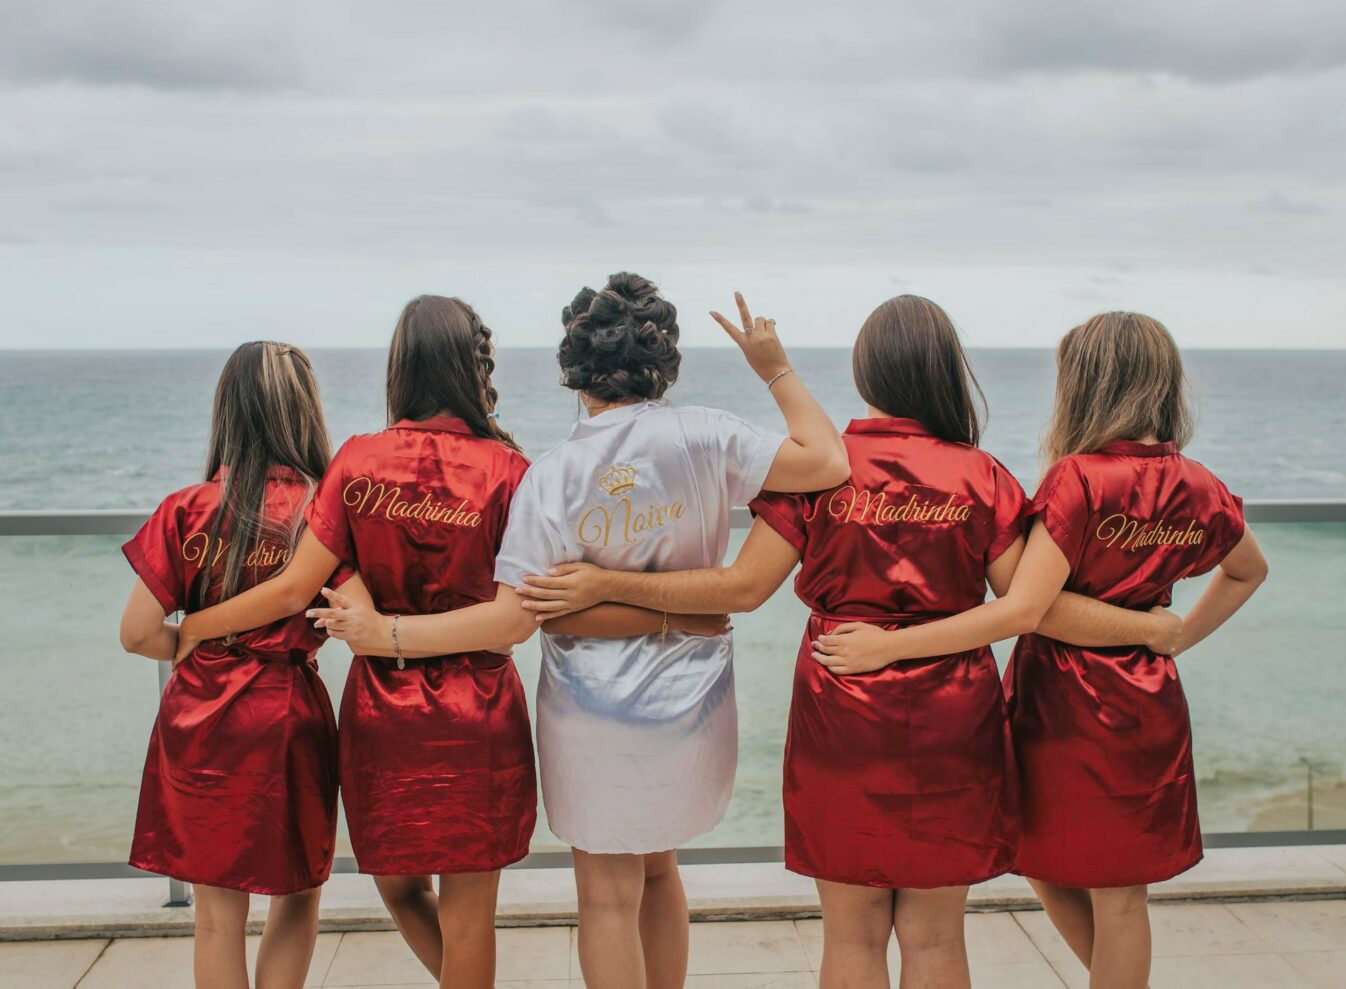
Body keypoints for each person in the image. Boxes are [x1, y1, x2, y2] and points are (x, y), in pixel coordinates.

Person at [513, 295, 1182, 989]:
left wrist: (604, 586)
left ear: (865, 372)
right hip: (955, 715)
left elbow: (741, 587)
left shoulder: (823, 473)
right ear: (946, 372)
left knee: (852, 936)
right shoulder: (981, 476)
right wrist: (1146, 623)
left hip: (841, 709)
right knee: (936, 939)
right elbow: (1032, 606)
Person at [309, 273, 849, 989]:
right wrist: (773, 367)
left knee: (605, 893)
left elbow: (532, 612)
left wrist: (386, 632)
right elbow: (829, 462)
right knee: (660, 866)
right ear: (663, 363)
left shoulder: (555, 473)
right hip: (692, 702)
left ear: (574, 367)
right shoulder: (710, 433)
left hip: (591, 706)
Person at [174, 296, 708, 989]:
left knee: (400, 890)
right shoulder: (509, 470)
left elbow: (297, 585)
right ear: (472, 367)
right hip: (478, 712)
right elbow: (519, 616)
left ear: (398, 366)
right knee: (470, 919)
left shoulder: (356, 461)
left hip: (381, 715)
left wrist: (191, 629)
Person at [795, 312, 1267, 989]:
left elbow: (1025, 608)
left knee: (1066, 875)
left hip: (1067, 699)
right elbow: (1250, 569)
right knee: (1105, 887)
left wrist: (886, 648)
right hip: (1148, 695)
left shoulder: (1078, 480)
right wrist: (1169, 634)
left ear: (1087, 385)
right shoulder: (1200, 484)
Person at [119, 341, 342, 989]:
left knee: (216, 915)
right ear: (304, 411)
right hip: (286, 715)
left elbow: (136, 633)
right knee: (296, 894)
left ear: (229, 411)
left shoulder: (186, 509)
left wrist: (191, 642)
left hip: (199, 720)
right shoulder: (322, 509)